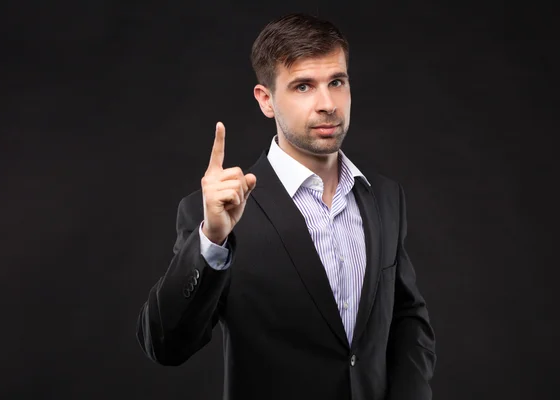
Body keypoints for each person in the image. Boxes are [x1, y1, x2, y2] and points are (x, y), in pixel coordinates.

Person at [136, 12, 436, 400]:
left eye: (336, 82)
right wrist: (211, 239)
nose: (327, 103)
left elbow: (406, 318)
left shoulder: (384, 195)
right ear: (266, 100)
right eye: (303, 87)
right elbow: (165, 346)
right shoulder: (214, 215)